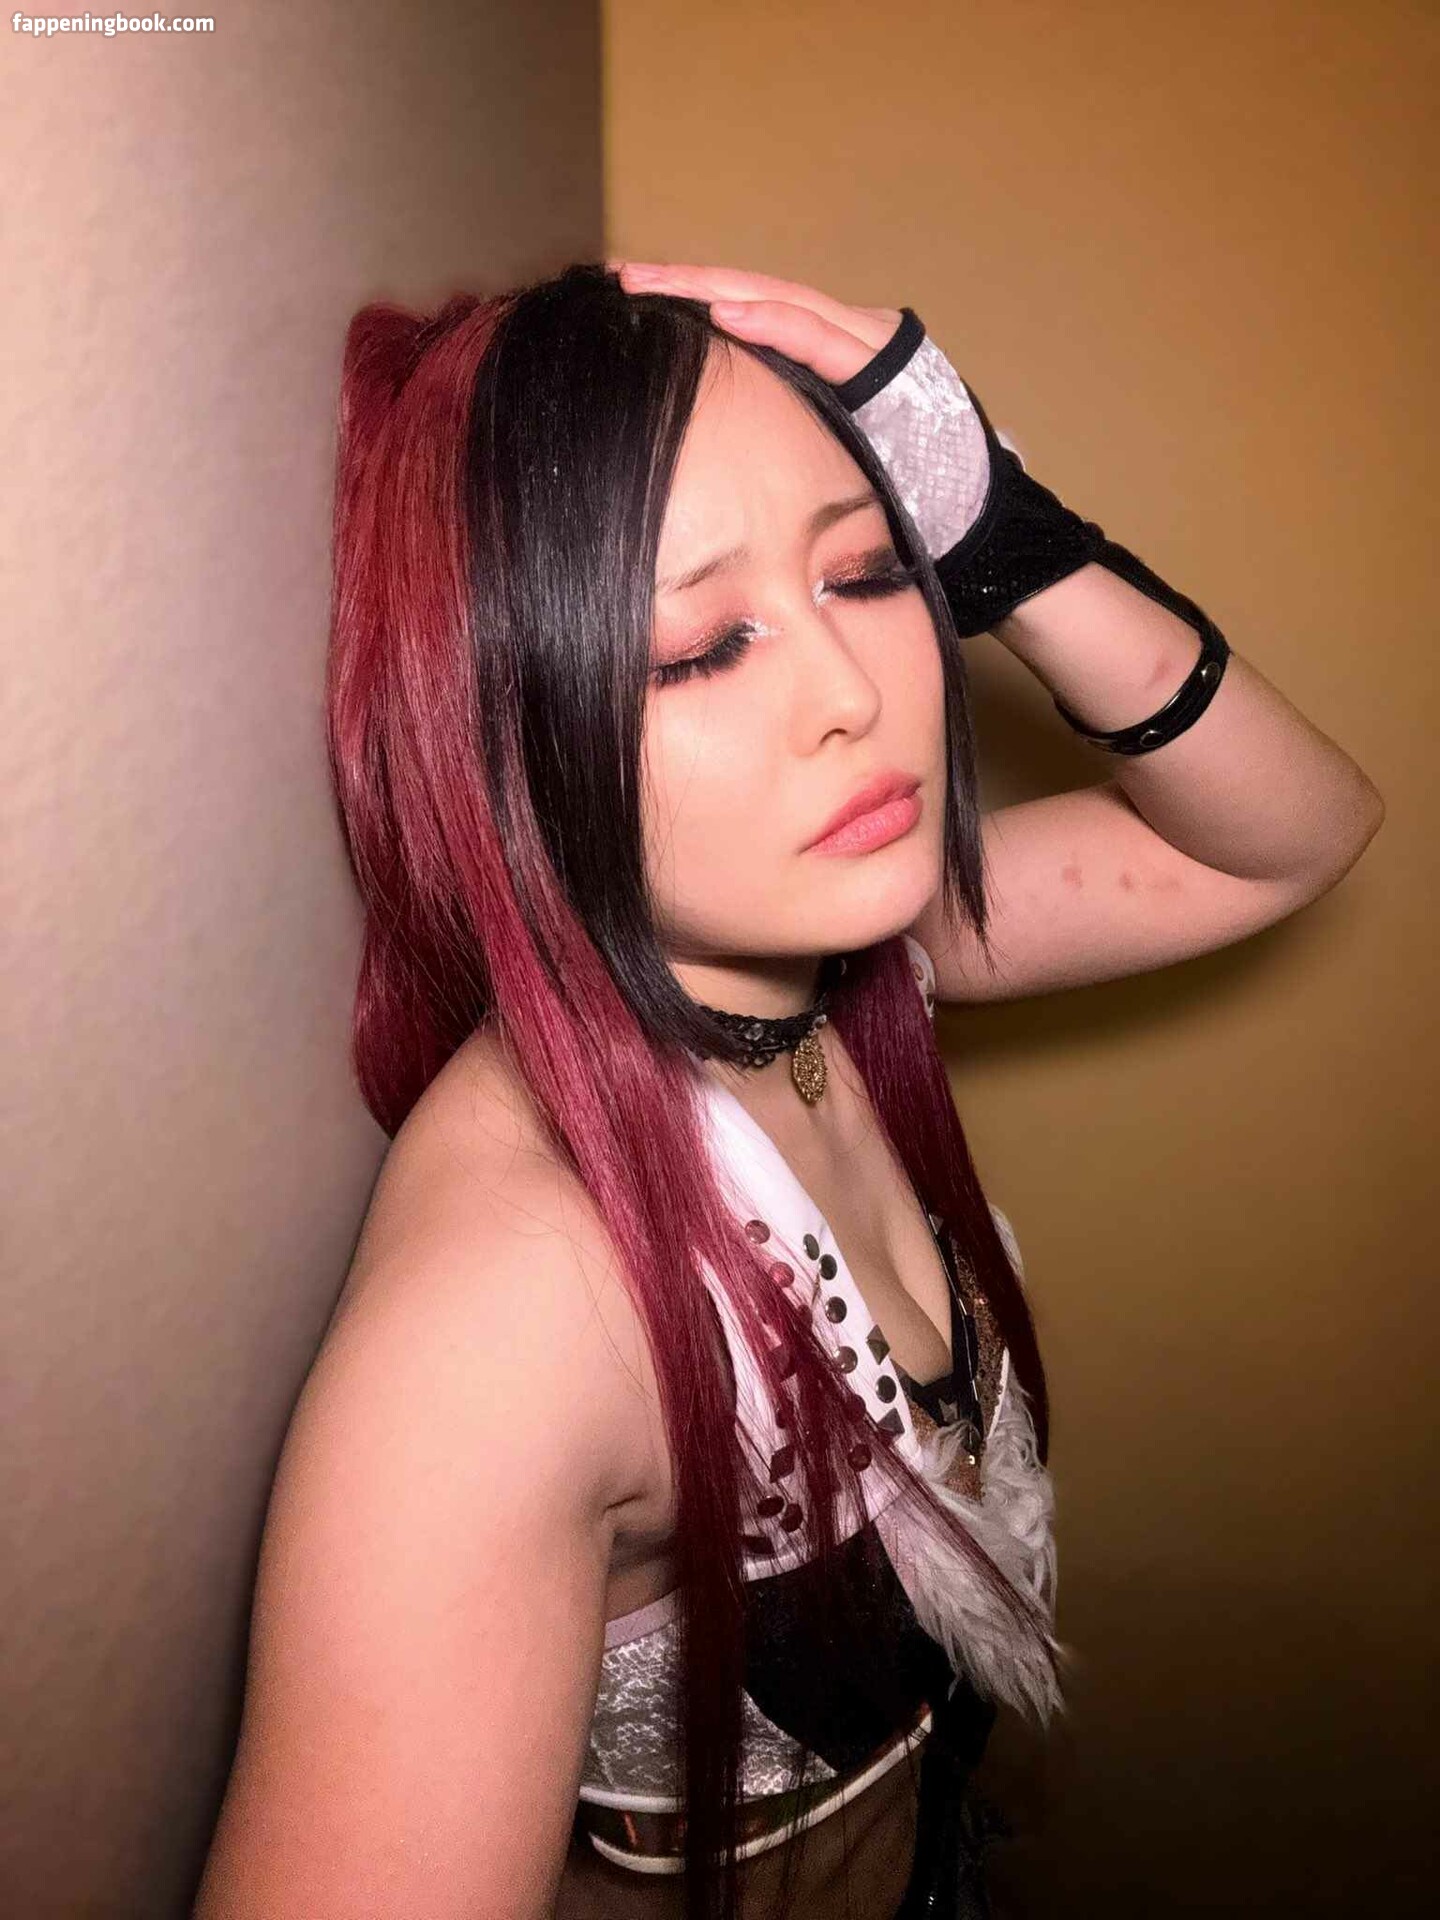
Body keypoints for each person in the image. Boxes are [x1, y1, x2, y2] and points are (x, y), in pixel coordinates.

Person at [192, 261, 1384, 1920]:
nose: (856, 696)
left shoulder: (836, 957)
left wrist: (1009, 535)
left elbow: (1293, 837)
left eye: (871, 568)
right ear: (498, 724)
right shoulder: (512, 1326)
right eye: (703, 647)